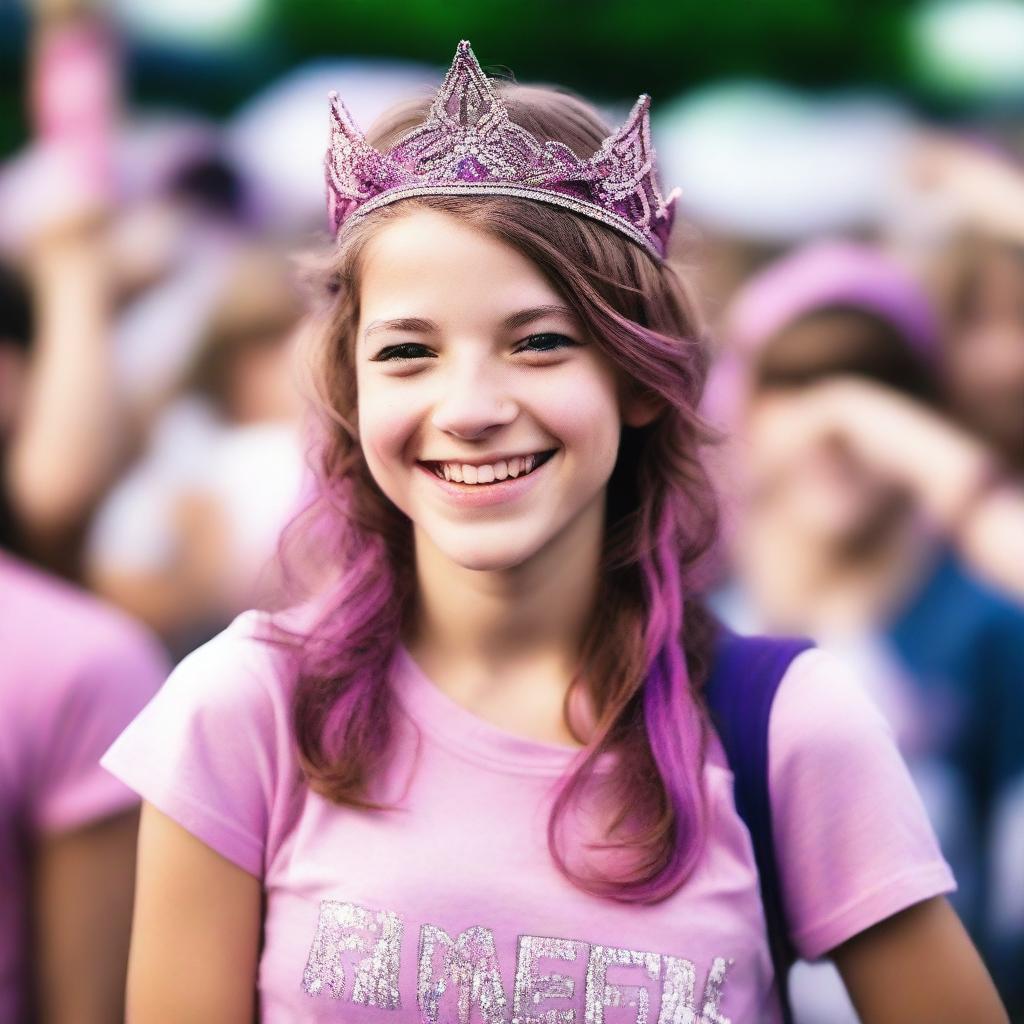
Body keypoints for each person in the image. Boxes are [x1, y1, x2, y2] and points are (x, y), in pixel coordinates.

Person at [101, 43, 1008, 1022]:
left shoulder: (785, 725)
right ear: (349, 390)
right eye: (408, 352)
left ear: (635, 377)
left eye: (539, 343)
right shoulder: (246, 711)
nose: (472, 407)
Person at [705, 239, 1024, 1016]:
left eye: (878, 380)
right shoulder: (691, 612)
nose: (837, 422)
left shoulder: (985, 625)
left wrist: (940, 466)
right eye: (797, 380)